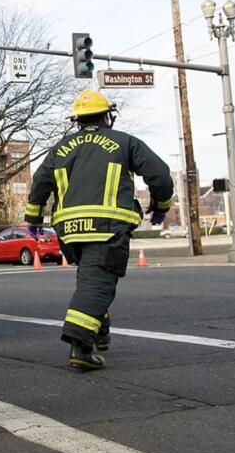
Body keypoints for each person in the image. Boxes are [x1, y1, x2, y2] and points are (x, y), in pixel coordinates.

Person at [24, 90, 173, 371]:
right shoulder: (124, 142)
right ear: (107, 116)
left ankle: (99, 329)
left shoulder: (60, 148)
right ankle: (80, 346)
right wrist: (161, 206)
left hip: (69, 230)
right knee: (98, 283)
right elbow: (160, 176)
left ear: (77, 120)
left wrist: (33, 220)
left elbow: (40, 183)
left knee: (91, 280)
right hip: (107, 227)